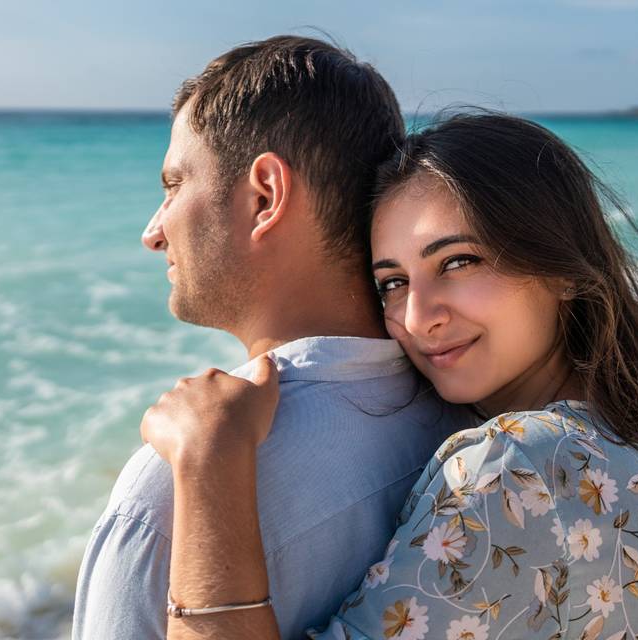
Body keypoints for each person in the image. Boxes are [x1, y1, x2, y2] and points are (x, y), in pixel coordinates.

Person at [141, 113, 638, 639]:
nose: (419, 318)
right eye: (392, 283)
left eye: (457, 262)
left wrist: (211, 459)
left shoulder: (517, 466)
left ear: (563, 267)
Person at [71, 37, 467, 640]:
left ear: (265, 196)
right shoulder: (465, 416)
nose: (153, 232)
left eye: (174, 184)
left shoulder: (176, 495)